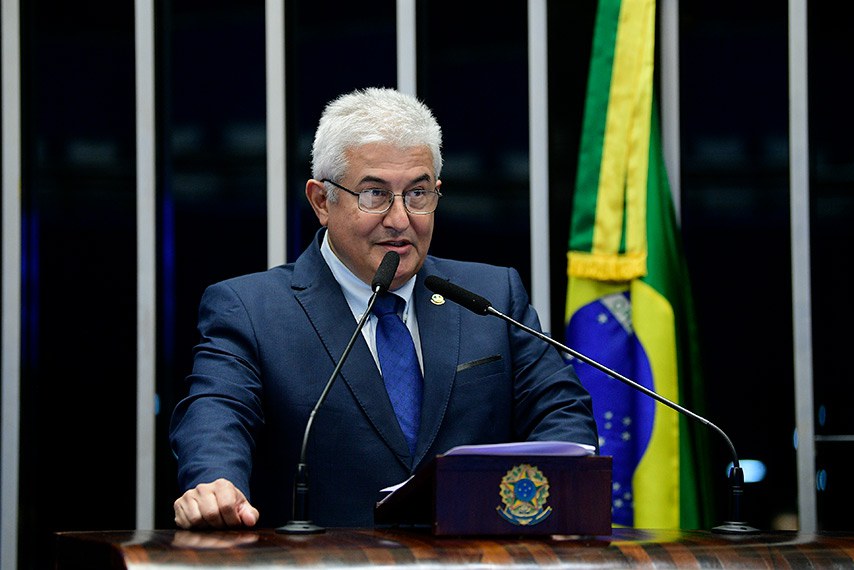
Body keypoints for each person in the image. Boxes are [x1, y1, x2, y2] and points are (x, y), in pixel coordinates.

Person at [170, 87, 599, 529]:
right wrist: (215, 484)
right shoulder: (251, 310)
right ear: (322, 201)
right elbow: (217, 413)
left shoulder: (492, 295)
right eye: (374, 194)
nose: (400, 219)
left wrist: (559, 499)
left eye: (418, 194)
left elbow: (561, 413)